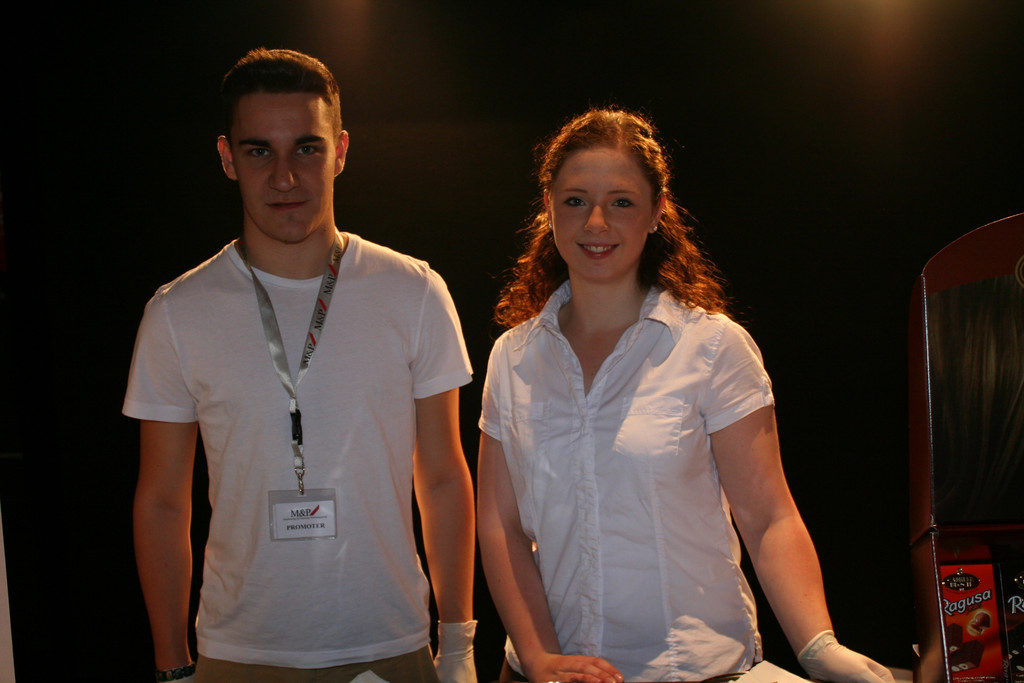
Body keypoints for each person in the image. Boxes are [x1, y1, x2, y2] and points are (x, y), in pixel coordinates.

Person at [476, 107, 895, 683]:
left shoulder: (714, 347)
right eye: (575, 200)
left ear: (657, 212)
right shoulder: (513, 357)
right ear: (548, 208)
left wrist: (818, 645)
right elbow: (499, 524)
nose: (596, 221)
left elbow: (767, 516)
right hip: (545, 673)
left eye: (621, 202)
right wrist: (540, 655)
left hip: (692, 671)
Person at [125, 47, 477, 683]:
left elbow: (444, 476)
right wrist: (173, 667)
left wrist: (458, 646)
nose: (284, 176)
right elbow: (162, 502)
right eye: (259, 150)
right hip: (239, 653)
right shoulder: (178, 312)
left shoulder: (414, 292)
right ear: (228, 158)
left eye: (306, 149)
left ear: (340, 151)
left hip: (389, 643)